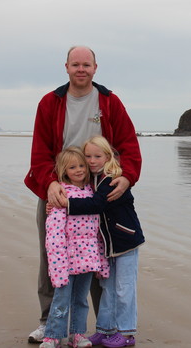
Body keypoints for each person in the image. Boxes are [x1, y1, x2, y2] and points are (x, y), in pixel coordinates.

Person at [25, 46, 142, 344]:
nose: (81, 69)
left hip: (99, 191)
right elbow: (39, 153)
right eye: (75, 64)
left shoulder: (109, 101)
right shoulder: (50, 103)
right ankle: (47, 321)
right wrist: (50, 183)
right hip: (58, 188)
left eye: (86, 65)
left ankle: (104, 326)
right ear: (66, 67)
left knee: (98, 254)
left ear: (95, 68)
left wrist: (127, 177)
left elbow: (129, 143)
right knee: (52, 255)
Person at [51, 136, 144, 348]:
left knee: (124, 288)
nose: (92, 161)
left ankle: (127, 333)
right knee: (108, 288)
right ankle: (105, 329)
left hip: (125, 241)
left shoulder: (112, 179)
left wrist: (65, 204)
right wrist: (54, 204)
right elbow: (85, 197)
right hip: (107, 245)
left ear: (108, 156)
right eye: (88, 156)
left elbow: (96, 204)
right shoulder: (92, 180)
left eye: (97, 156)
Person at [40, 147, 109, 348]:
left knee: (81, 300)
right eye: (72, 167)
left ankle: (77, 334)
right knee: (61, 299)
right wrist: (57, 264)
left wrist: (101, 261)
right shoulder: (60, 194)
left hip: (88, 258)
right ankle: (53, 335)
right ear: (64, 170)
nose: (78, 170)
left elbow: (98, 232)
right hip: (66, 259)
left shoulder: (92, 193)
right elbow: (53, 233)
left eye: (81, 165)